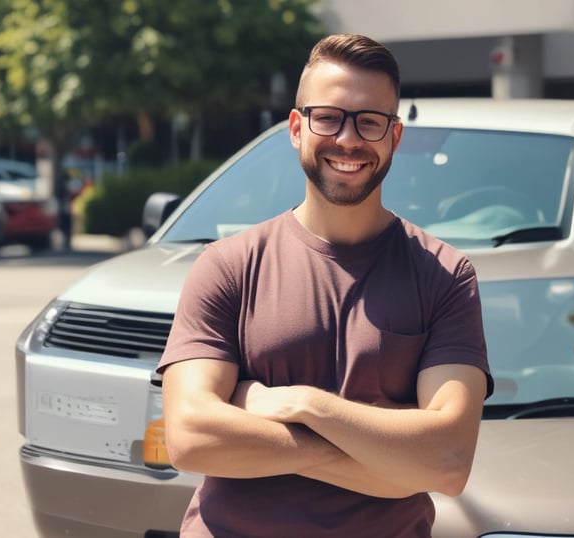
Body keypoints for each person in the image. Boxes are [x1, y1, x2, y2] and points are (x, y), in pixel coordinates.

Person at [158, 33, 493, 538]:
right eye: (328, 117)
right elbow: (190, 437)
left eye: (370, 121)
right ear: (296, 128)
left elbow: (446, 460)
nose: (349, 139)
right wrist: (389, 456)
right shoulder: (227, 266)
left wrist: (299, 403)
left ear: (394, 137)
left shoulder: (445, 275)